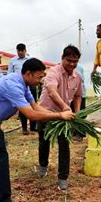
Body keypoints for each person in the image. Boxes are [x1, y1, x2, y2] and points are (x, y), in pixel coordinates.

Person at [0, 58, 74, 202]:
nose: (40, 81)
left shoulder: (23, 84)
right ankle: (2, 201)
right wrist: (59, 116)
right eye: (39, 77)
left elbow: (35, 107)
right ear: (28, 74)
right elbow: (30, 115)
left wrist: (59, 114)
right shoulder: (13, 85)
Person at [37, 45, 83, 191]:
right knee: (44, 141)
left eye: (75, 61)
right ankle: (43, 166)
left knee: (64, 145)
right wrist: (64, 107)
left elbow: (77, 96)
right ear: (62, 58)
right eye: (69, 60)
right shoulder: (53, 72)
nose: (72, 64)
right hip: (46, 112)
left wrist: (77, 112)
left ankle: (63, 177)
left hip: (64, 116)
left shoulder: (77, 77)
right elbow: (52, 91)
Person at [8, 43, 37, 134]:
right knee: (22, 105)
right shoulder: (12, 61)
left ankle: (33, 126)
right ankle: (24, 128)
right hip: (19, 86)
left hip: (31, 85)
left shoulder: (30, 60)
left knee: (33, 104)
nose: (20, 52)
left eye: (22, 50)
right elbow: (10, 74)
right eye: (18, 51)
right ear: (16, 51)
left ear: (25, 51)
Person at [71, 64, 86, 141]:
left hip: (80, 95)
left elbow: (79, 81)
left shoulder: (79, 67)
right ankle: (73, 132)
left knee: (80, 114)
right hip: (71, 95)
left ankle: (80, 134)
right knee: (72, 113)